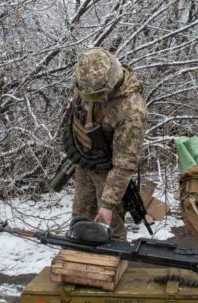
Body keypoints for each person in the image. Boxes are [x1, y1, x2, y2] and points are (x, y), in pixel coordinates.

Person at [63, 47, 147, 240]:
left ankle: (112, 262)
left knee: (110, 227)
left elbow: (124, 164)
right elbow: (77, 113)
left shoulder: (130, 110)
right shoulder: (87, 81)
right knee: (80, 218)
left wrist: (108, 203)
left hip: (109, 172)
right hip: (84, 161)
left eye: (94, 96)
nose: (87, 98)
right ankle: (80, 258)